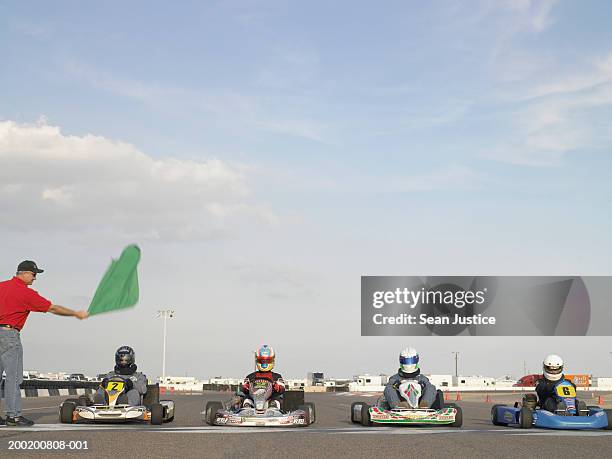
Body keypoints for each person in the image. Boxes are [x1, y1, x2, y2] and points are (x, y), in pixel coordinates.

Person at [0, 261, 88, 427]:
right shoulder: (25, 293)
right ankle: (13, 416)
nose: (35, 278)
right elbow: (52, 308)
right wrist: (75, 313)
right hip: (9, 335)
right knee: (13, 378)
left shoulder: (1, 286)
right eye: (34, 275)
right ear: (24, 273)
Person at [237, 345, 285, 411]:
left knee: (276, 400)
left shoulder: (277, 377)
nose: (264, 364)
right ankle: (247, 411)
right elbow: (244, 389)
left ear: (272, 360)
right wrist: (245, 387)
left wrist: (278, 387)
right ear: (257, 361)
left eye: (267, 361)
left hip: (269, 401)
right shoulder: (250, 376)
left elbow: (282, 388)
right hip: (254, 402)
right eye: (262, 361)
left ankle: (274, 411)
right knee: (247, 400)